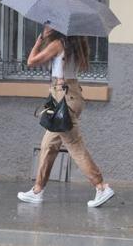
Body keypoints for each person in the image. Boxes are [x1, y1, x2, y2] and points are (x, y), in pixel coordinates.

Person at [17, 25, 115, 208]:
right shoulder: (75, 44)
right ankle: (37, 190)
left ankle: (101, 186)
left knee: (74, 144)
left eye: (50, 24)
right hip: (71, 95)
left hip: (63, 98)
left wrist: (39, 40)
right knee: (48, 144)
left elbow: (31, 61)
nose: (47, 26)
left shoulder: (57, 44)